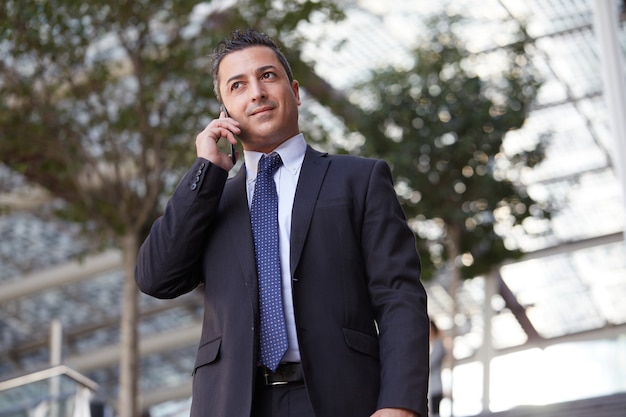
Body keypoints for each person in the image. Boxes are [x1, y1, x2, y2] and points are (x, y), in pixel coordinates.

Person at [135, 28, 430, 417]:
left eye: (267, 76)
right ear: (224, 112)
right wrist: (207, 170)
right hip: (234, 403)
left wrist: (399, 404)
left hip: (341, 399)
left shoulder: (359, 179)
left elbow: (398, 296)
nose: (256, 92)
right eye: (237, 86)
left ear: (295, 90)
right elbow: (157, 278)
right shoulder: (212, 200)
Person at [429, 321, 445, 417]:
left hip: (435, 388)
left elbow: (431, 363)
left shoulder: (438, 344)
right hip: (430, 389)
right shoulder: (431, 345)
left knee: (435, 413)